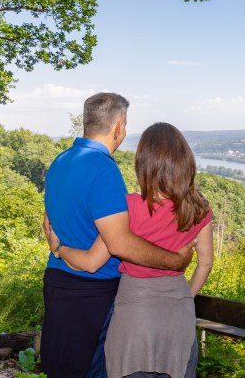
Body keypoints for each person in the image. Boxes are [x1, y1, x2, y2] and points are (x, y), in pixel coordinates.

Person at [41, 94, 195, 378]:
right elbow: (119, 242)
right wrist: (175, 262)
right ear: (119, 127)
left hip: (57, 284)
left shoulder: (61, 161)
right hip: (93, 295)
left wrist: (58, 248)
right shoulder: (103, 169)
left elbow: (52, 220)